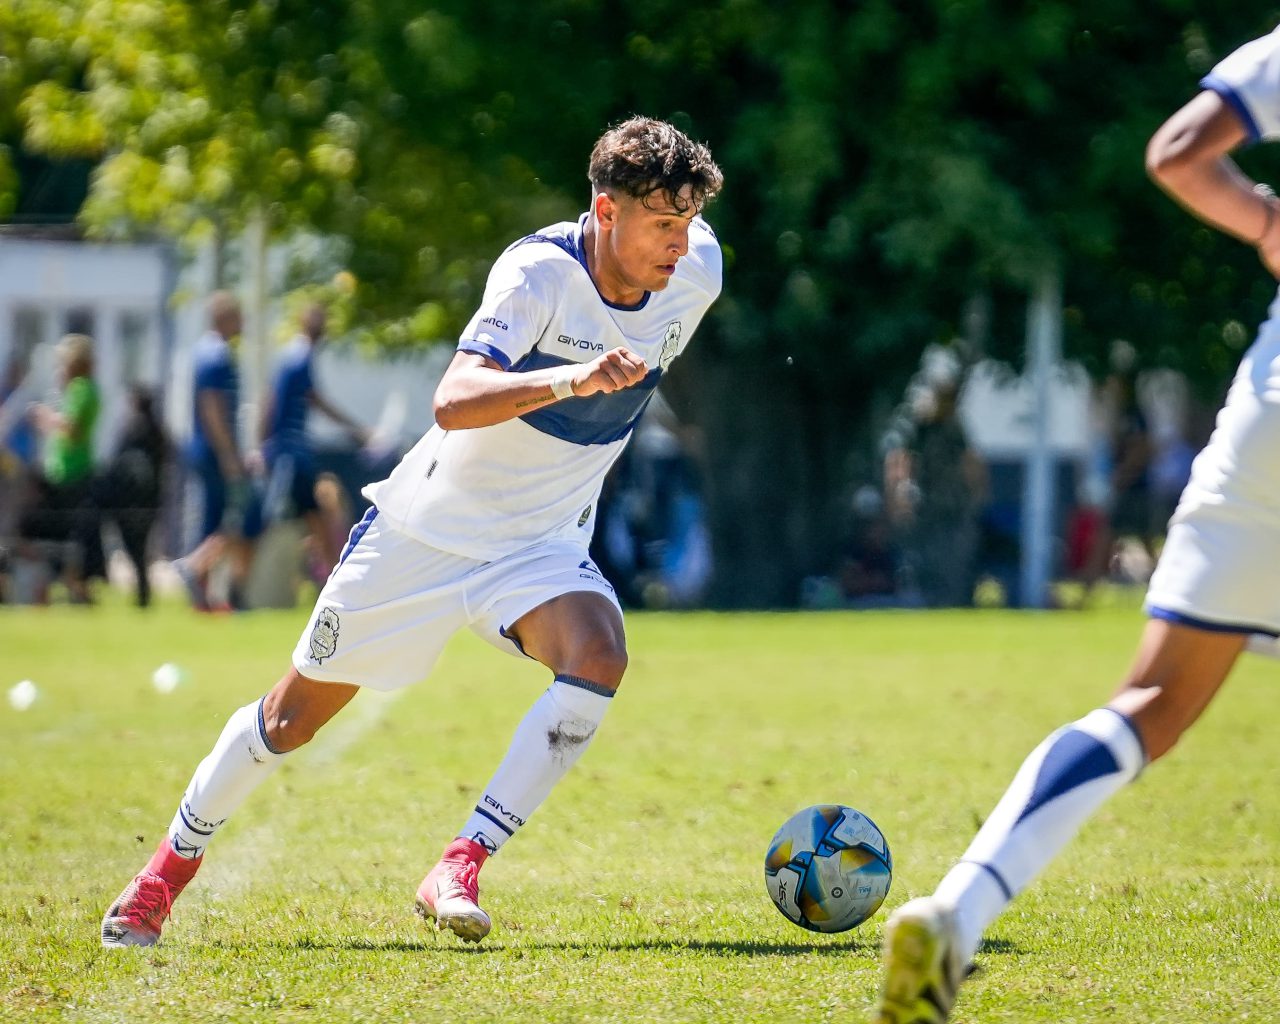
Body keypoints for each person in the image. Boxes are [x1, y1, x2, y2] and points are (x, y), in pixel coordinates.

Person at [101, 116, 724, 948]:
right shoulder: (537, 274)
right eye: (662, 223)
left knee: (599, 654)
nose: (679, 243)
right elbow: (453, 400)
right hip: (426, 534)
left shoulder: (697, 269)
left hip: (538, 544)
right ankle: (163, 874)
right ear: (605, 211)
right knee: (289, 721)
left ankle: (459, 864)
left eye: (687, 221)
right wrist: (571, 379)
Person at [876, 26, 1280, 1022]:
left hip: (1267, 418)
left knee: (1149, 700)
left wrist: (1268, 220)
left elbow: (1176, 153)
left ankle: (956, 911)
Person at [258, 302, 369, 578]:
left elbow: (272, 400)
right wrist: (353, 428)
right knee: (276, 517)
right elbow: (308, 400)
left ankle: (330, 574)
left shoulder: (294, 356)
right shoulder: (299, 357)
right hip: (288, 454)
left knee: (313, 516)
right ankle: (331, 574)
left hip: (293, 453)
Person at [176, 292, 262, 611]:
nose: (242, 324)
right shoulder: (216, 354)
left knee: (216, 519)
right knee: (227, 518)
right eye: (238, 317)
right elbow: (212, 407)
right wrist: (228, 454)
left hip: (209, 449)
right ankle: (192, 569)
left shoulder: (208, 351)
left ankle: (205, 593)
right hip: (213, 451)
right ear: (224, 318)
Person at [20, 333, 101, 603]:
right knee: (68, 535)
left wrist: (44, 415)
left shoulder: (81, 388)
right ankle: (67, 585)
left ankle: (68, 585)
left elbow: (71, 429)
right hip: (65, 471)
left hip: (71, 474)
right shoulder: (81, 389)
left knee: (55, 533)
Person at [99, 385, 170, 608]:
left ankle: (143, 593)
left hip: (130, 501)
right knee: (141, 548)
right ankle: (143, 592)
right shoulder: (158, 433)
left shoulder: (133, 431)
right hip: (149, 501)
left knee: (135, 548)